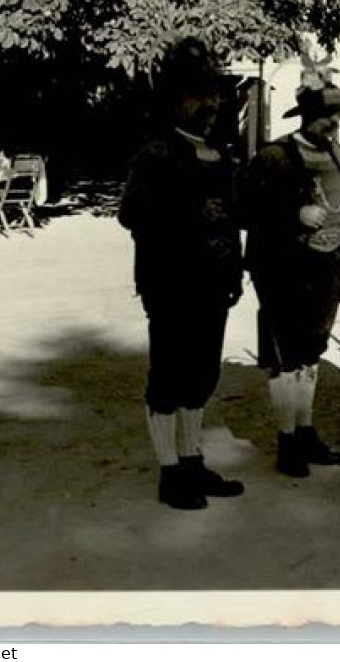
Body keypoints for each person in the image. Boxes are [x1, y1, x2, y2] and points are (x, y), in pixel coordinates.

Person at [118, 37, 246, 511]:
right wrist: (186, 214)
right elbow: (131, 214)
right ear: (174, 99)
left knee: (202, 375)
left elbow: (231, 218)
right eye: (198, 93)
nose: (210, 103)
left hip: (214, 286)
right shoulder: (156, 154)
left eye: (213, 92)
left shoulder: (222, 154)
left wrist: (233, 269)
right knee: (169, 377)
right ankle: (171, 472)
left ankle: (192, 459)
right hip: (172, 285)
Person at [242, 68, 340, 479]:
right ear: (307, 116)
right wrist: (294, 215)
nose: (335, 123)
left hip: (328, 269)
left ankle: (306, 432)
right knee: (285, 358)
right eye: (328, 116)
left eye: (339, 117)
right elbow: (249, 212)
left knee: (311, 354)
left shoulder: (336, 153)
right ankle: (287, 439)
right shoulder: (274, 157)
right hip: (283, 272)